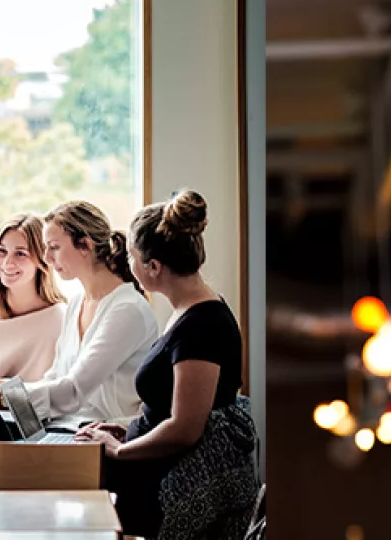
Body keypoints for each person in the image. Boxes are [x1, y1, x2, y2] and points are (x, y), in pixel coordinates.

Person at [74, 190, 259, 539]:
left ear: (153, 267)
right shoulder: (188, 311)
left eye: (131, 258)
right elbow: (172, 406)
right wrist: (127, 428)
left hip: (177, 481)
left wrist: (123, 449)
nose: (127, 266)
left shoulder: (202, 325)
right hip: (156, 463)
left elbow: (185, 427)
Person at [0, 201, 158, 424]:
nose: (46, 258)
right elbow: (54, 379)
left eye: (54, 247)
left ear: (85, 245)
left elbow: (74, 390)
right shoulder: (76, 304)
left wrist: (0, 398)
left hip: (107, 437)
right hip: (68, 428)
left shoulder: (127, 310)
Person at [0, 213, 67, 382]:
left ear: (42, 259)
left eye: (20, 253)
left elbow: (61, 389)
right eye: (2, 251)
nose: (7, 262)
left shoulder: (60, 318)